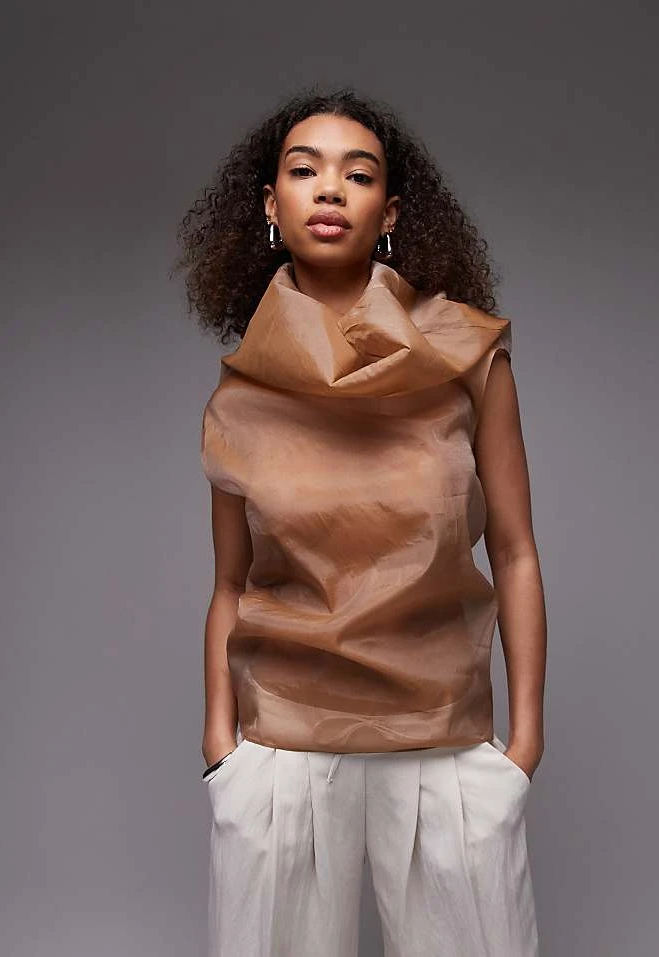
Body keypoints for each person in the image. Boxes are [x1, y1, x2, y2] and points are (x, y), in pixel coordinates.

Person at [174, 86, 547, 957]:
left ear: (391, 213)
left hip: (447, 744)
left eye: (360, 173)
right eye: (304, 170)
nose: (331, 189)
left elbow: (516, 551)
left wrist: (523, 745)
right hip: (281, 749)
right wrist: (221, 745)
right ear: (271, 206)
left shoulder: (467, 356)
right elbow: (230, 583)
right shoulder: (240, 393)